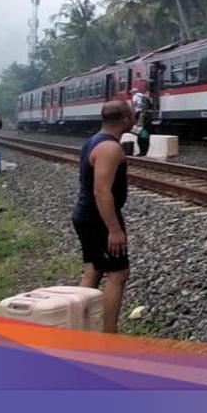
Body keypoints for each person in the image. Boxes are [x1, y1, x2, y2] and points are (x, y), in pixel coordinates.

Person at [71, 101, 134, 334]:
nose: (135, 117)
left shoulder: (94, 141)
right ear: (126, 119)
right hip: (99, 219)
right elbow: (101, 191)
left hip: (86, 215)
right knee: (118, 274)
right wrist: (114, 230)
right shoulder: (110, 148)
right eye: (133, 115)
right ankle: (109, 335)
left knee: (94, 270)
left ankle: (76, 327)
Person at [129, 88, 151, 157]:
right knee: (145, 140)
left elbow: (135, 118)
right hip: (145, 128)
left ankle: (142, 152)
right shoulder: (143, 97)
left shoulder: (139, 112)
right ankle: (144, 152)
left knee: (141, 140)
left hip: (142, 129)